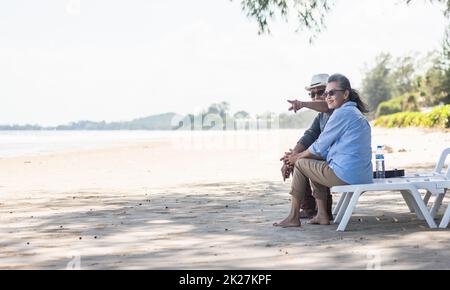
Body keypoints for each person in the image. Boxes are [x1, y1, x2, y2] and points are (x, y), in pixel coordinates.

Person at [274, 73, 372, 228]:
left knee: (301, 163)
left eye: (330, 93)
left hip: (347, 175)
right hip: (361, 174)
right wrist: (293, 155)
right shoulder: (349, 111)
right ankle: (321, 214)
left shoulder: (341, 112)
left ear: (346, 94)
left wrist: (296, 158)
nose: (326, 97)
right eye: (326, 93)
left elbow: (319, 145)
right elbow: (310, 137)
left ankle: (293, 216)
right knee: (309, 160)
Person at [280, 73, 333, 219]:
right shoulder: (321, 116)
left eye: (320, 92)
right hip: (327, 158)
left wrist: (302, 104)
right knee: (296, 158)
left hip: (337, 162)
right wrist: (292, 155)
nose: (316, 97)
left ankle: (324, 211)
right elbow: (308, 136)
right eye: (312, 94)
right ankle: (309, 208)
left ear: (330, 93)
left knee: (304, 159)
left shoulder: (335, 110)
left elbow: (325, 105)